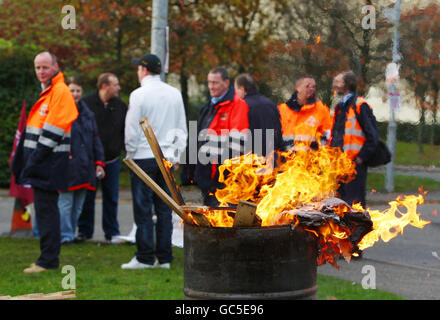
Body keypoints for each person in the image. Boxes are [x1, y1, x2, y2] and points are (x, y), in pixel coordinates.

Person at [11, 51, 78, 273]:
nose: (41, 71)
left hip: (49, 163)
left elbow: (53, 131)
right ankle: (47, 258)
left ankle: (48, 261)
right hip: (44, 162)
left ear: (55, 66)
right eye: (37, 67)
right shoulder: (50, 91)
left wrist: (34, 160)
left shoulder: (60, 91)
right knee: (45, 210)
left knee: (47, 212)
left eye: (45, 67)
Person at [121, 53, 187, 269]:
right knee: (165, 209)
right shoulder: (174, 93)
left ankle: (145, 257)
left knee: (143, 209)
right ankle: (165, 258)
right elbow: (182, 129)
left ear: (144, 70)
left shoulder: (138, 95)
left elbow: (131, 129)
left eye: (138, 68)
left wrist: (130, 153)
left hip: (143, 157)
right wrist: (176, 156)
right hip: (167, 158)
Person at [77, 73, 127, 243]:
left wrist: (120, 148)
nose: (119, 88)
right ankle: (84, 231)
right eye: (116, 84)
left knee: (111, 197)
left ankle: (112, 232)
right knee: (87, 197)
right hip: (90, 161)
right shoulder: (87, 104)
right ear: (105, 86)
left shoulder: (121, 106)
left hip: (112, 160)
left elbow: (124, 131)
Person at [58, 77, 105, 245]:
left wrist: (99, 162)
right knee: (65, 203)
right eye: (72, 90)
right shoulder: (60, 112)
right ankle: (65, 235)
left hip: (85, 166)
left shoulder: (88, 114)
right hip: (67, 165)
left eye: (78, 91)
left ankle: (70, 232)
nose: (75, 94)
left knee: (78, 205)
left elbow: (95, 139)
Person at [195, 67, 250, 207]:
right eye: (209, 82)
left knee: (224, 216)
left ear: (226, 83)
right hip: (208, 174)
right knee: (211, 217)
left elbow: (237, 142)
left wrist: (224, 174)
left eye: (215, 83)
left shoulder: (237, 105)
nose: (211, 86)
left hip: (224, 177)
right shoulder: (209, 106)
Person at [330, 71, 379, 208]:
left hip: (354, 165)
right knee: (339, 205)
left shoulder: (360, 105)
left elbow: (373, 136)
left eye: (338, 81)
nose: (334, 84)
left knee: (355, 205)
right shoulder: (340, 107)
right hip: (339, 164)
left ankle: (358, 229)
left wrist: (361, 158)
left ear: (346, 84)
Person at [277, 75, 332, 151]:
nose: (311, 89)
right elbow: (274, 136)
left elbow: (327, 136)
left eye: (313, 87)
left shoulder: (321, 110)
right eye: (307, 86)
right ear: (298, 88)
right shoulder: (282, 109)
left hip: (310, 159)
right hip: (286, 158)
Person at [234, 73, 283, 157]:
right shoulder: (271, 104)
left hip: (251, 160)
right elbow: (279, 131)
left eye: (236, 90)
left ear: (242, 89)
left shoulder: (242, 107)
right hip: (272, 158)